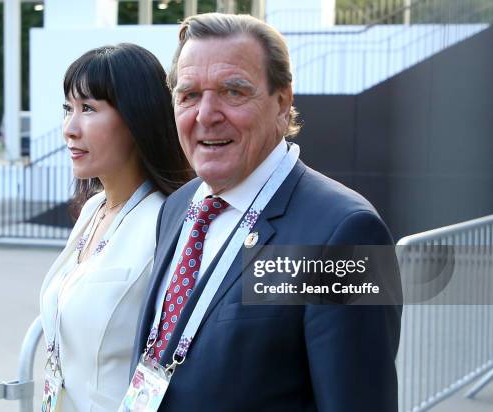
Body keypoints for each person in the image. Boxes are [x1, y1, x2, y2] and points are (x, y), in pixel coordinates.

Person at [130, 13, 402, 411]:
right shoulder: (177, 207)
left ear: (282, 101)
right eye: (188, 94)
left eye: (233, 92)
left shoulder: (345, 235)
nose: (206, 114)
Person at [40, 43, 190, 411]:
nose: (69, 129)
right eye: (68, 109)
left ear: (137, 118)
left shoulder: (166, 221)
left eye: (88, 109)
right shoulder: (93, 208)